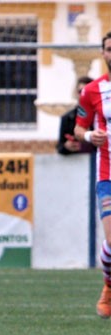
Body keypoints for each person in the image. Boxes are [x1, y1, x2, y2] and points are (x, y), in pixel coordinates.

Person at [74, 31, 111, 318]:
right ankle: (108, 286)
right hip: (107, 173)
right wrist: (89, 134)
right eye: (109, 49)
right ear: (103, 54)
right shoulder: (92, 91)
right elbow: (77, 128)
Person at [57, 76, 93, 155]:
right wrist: (67, 146)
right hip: (76, 163)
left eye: (87, 92)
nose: (83, 95)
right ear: (76, 93)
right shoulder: (68, 117)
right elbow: (60, 147)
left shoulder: (103, 115)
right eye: (81, 91)